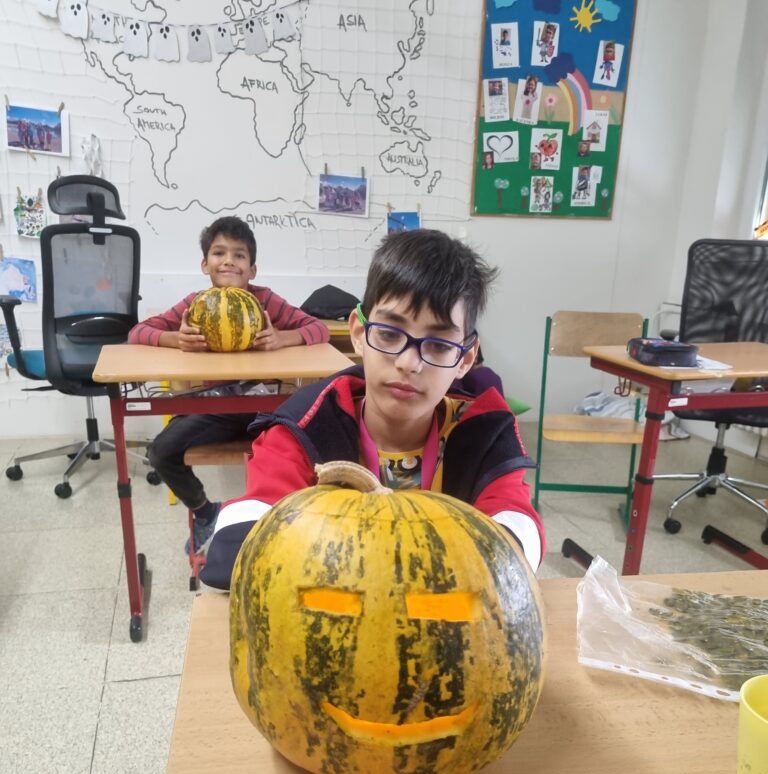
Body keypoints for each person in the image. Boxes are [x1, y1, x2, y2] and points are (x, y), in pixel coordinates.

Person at [201, 229, 545, 591]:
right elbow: (238, 546)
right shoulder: (305, 426)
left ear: (465, 358)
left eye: (440, 345)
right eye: (389, 334)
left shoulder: (484, 432)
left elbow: (516, 538)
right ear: (359, 333)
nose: (409, 363)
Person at [128, 215, 329, 554]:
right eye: (219, 253)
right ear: (205, 264)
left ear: (252, 269)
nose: (229, 261)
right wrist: (175, 338)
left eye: (239, 255)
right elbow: (138, 332)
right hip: (216, 406)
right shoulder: (196, 303)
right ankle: (206, 511)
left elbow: (318, 328)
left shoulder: (266, 301)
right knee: (161, 452)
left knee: (308, 449)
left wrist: (283, 337)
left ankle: (277, 517)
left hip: (265, 407)